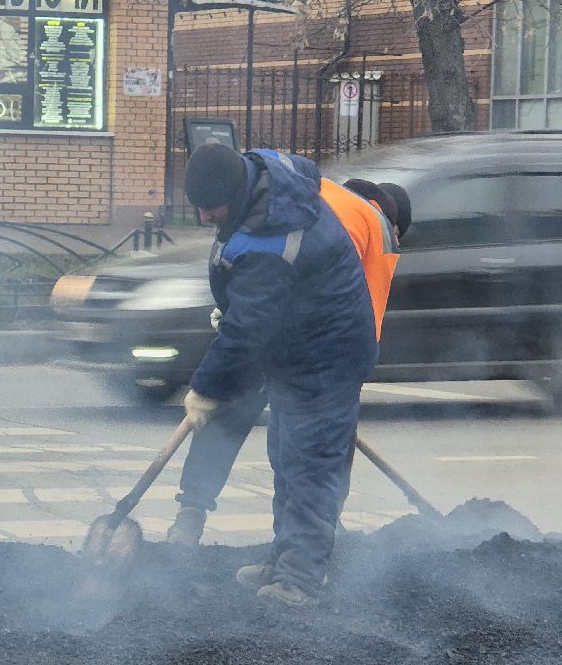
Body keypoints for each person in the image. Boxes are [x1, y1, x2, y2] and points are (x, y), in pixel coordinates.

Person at [175, 141, 379, 608]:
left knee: (310, 467)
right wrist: (232, 306)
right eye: (199, 208)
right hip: (292, 351)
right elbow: (249, 309)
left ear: (235, 191)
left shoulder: (272, 238)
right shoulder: (259, 176)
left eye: (212, 208)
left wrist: (205, 388)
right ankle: (284, 561)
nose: (206, 217)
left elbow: (247, 328)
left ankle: (300, 582)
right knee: (288, 459)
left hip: (324, 358)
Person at [166, 175, 411, 550]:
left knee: (224, 415)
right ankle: (321, 530)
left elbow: (243, 251)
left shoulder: (309, 192)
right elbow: (364, 326)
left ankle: (189, 518)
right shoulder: (378, 230)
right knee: (325, 441)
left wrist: (232, 313)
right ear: (395, 225)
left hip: (260, 323)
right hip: (307, 350)